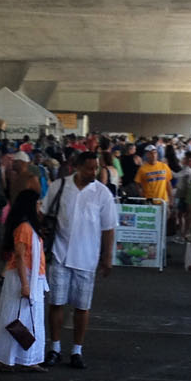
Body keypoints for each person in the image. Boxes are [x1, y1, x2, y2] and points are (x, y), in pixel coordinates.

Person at [44, 151, 118, 368]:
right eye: (89, 168)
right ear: (76, 167)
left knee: (82, 307)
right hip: (59, 253)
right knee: (56, 302)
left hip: (87, 257)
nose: (93, 172)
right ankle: (54, 348)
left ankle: (77, 350)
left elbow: (108, 228)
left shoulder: (102, 193)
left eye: (95, 168)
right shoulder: (58, 187)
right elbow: (44, 213)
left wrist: (107, 257)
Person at [0, 189, 49, 373]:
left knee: (27, 319)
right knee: (15, 318)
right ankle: (3, 358)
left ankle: (24, 358)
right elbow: (20, 257)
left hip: (31, 278)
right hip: (24, 278)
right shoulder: (25, 228)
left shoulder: (29, 227)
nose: (40, 207)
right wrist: (26, 284)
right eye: (38, 203)